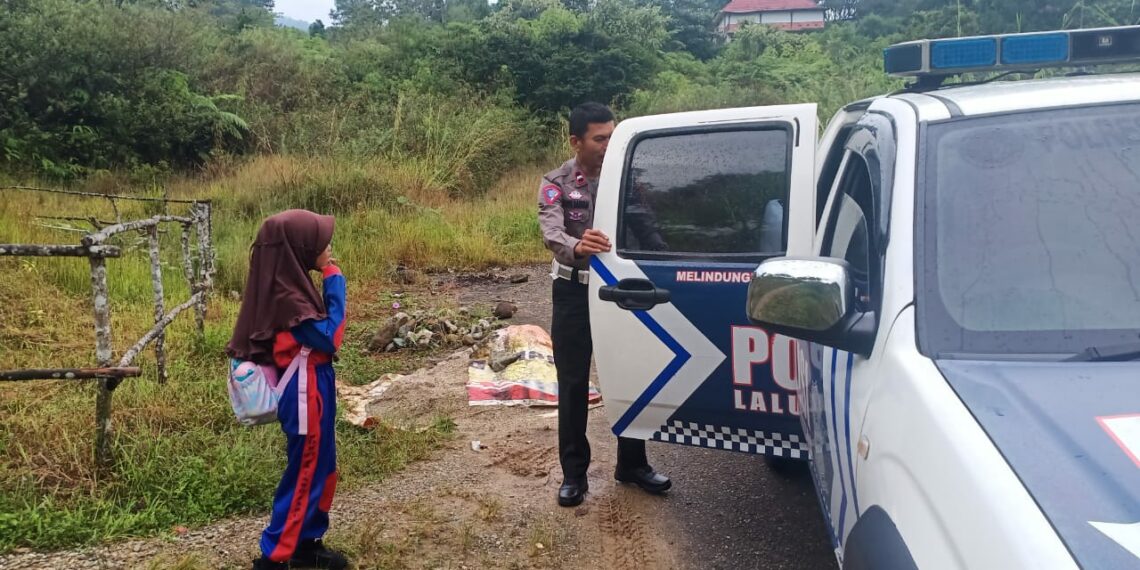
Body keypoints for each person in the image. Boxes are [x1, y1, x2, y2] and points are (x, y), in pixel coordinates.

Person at [537, 102, 672, 508]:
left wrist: (671, 265)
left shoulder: (628, 177)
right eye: (600, 138)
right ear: (576, 141)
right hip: (574, 293)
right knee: (573, 382)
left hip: (622, 291)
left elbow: (646, 226)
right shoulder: (556, 182)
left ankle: (632, 464)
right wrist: (578, 245)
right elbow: (551, 231)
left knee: (629, 375)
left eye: (613, 136)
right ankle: (574, 475)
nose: (609, 144)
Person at [226, 209, 349, 570]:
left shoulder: (292, 286)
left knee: (323, 466)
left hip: (315, 384)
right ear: (299, 248)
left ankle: (307, 543)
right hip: (305, 389)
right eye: (319, 241)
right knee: (305, 471)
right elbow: (331, 337)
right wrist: (334, 279)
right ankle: (273, 557)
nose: (327, 246)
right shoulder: (289, 298)